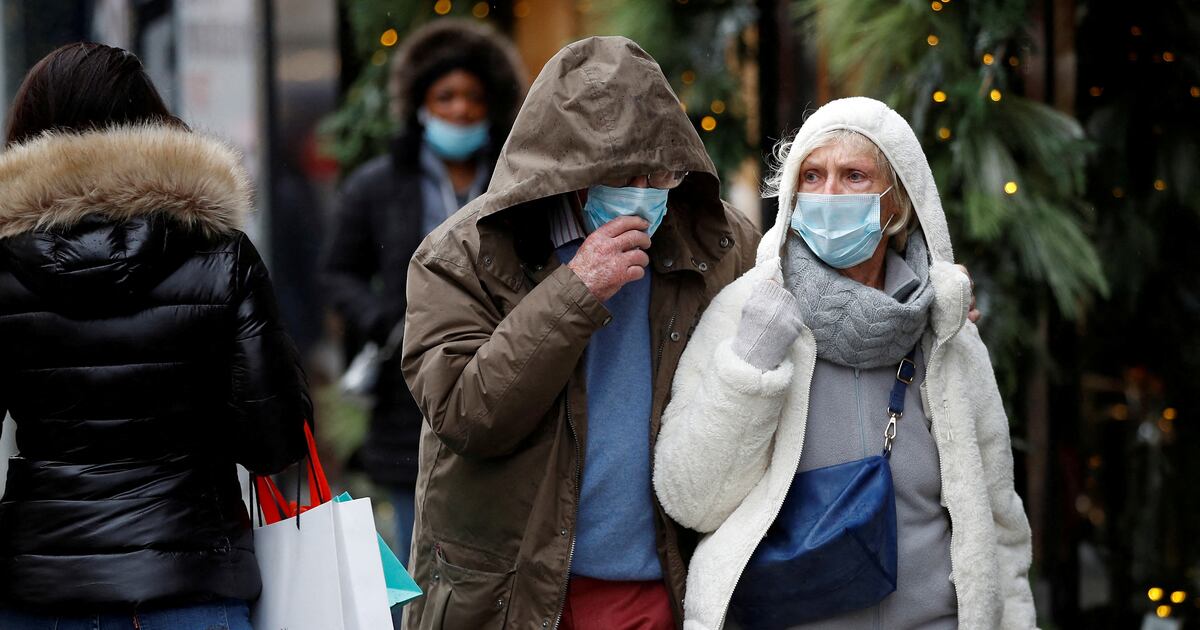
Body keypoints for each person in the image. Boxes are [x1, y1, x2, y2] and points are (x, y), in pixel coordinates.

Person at [399, 37, 760, 629]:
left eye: (658, 172)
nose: (642, 190)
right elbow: (465, 413)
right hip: (508, 593)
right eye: (619, 173)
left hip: (661, 587)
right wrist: (576, 290)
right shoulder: (461, 254)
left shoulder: (720, 243)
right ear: (565, 171)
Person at [653, 97, 1035, 629]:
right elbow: (691, 499)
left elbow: (999, 521)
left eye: (854, 176)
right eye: (812, 176)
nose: (828, 194)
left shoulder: (946, 328)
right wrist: (751, 363)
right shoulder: (748, 312)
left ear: (897, 203)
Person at [0, 43, 310, 629]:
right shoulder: (221, 254)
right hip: (191, 585)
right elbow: (273, 441)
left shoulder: (5, 267)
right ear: (151, 123)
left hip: (40, 589)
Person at [321, 18, 526, 567]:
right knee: (419, 549)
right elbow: (338, 273)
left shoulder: (516, 183)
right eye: (446, 96)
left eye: (473, 97)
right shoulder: (376, 186)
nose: (461, 109)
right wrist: (385, 324)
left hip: (504, 371)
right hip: (408, 389)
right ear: (420, 105)